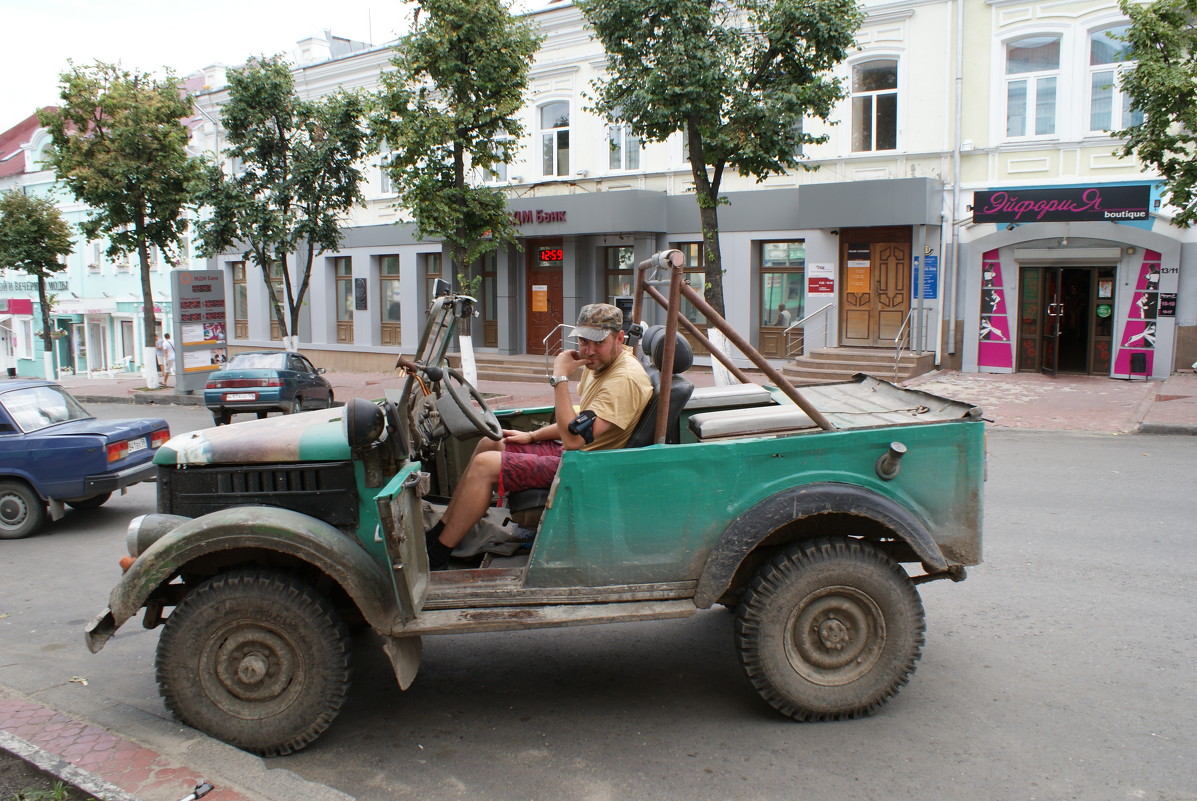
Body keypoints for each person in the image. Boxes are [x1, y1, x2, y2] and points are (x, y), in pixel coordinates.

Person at [425, 303, 653, 570]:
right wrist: (531, 436)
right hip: (576, 454)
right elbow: (579, 418)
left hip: (587, 466)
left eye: (598, 343)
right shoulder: (603, 365)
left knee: (484, 465)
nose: (588, 351)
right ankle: (443, 530)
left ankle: (438, 555)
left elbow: (574, 440)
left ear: (619, 338)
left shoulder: (624, 379)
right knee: (491, 442)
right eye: (583, 341)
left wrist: (559, 377)